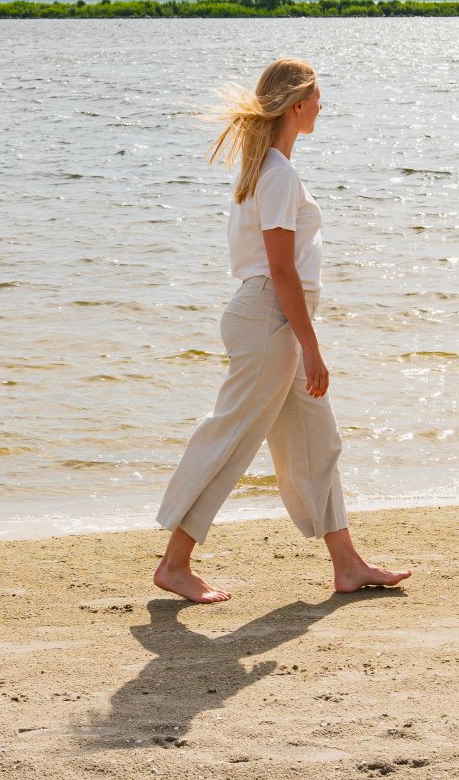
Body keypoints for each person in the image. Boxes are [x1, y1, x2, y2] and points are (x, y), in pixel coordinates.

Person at [154, 57, 412, 603]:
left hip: (275, 318)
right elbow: (281, 269)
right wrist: (311, 347)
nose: (323, 105)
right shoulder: (277, 175)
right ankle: (175, 563)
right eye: (318, 97)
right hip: (271, 320)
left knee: (317, 442)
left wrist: (304, 339)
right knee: (234, 435)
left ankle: (347, 565)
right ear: (298, 106)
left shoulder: (265, 170)